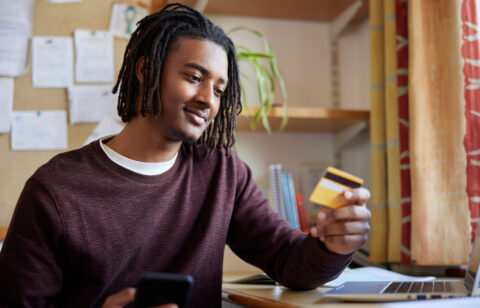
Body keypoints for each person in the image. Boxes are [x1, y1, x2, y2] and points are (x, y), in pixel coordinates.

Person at [0, 3, 371, 308]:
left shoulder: (223, 173)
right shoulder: (57, 189)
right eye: (194, 77)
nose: (208, 100)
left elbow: (288, 262)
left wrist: (331, 246)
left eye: (219, 89)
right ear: (148, 70)